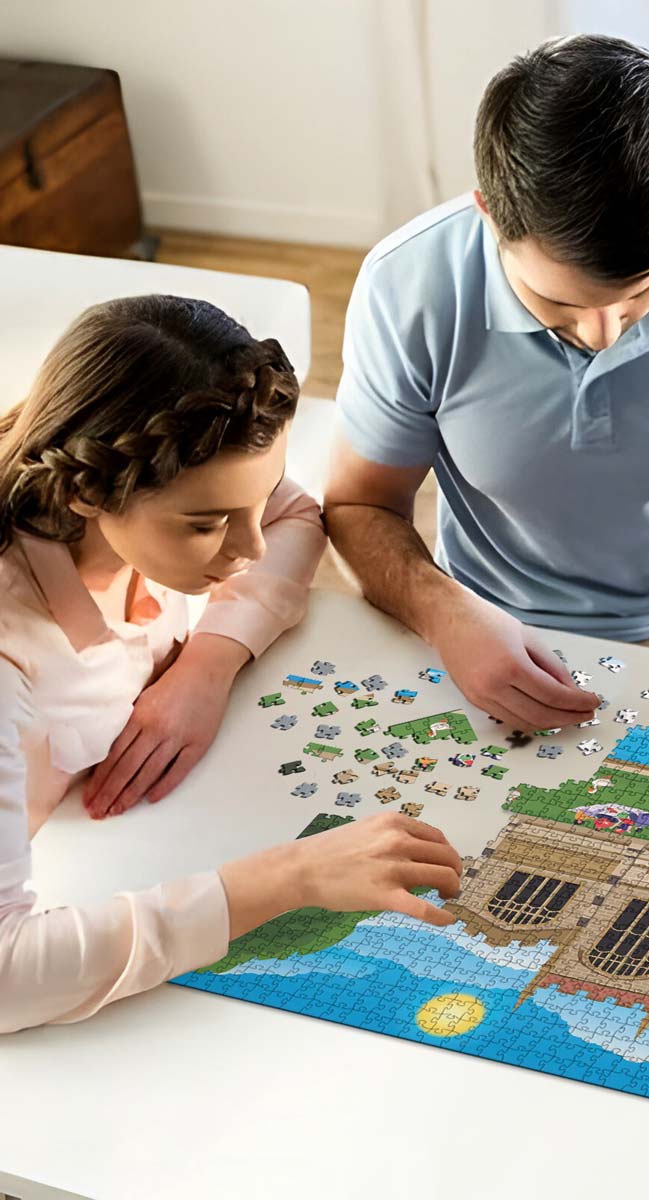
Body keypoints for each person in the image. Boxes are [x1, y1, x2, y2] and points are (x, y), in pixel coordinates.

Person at [324, 33, 649, 735]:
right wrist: (440, 610)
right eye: (562, 305)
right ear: (490, 214)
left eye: (642, 295)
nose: (607, 334)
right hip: (481, 629)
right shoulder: (408, 288)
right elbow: (361, 505)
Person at [0, 296, 461, 1034]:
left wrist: (207, 664)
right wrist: (290, 876)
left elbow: (292, 515)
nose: (245, 550)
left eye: (248, 502)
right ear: (86, 491)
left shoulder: (133, 480)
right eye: (206, 524)